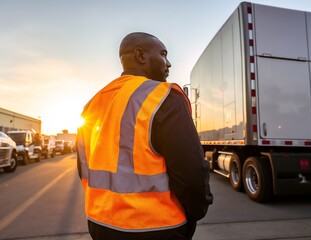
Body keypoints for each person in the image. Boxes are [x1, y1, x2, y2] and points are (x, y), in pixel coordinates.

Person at [76, 32, 213, 240]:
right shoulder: (164, 97)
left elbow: (84, 169)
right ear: (141, 56)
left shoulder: (92, 104)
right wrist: (196, 212)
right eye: (163, 54)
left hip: (100, 224)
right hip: (157, 228)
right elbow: (191, 173)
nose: (169, 63)